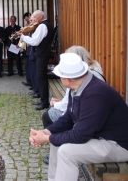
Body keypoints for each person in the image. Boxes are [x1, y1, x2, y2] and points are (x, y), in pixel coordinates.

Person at [29, 53, 128, 181]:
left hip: (118, 144)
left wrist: (47, 138)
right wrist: (47, 132)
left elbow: (81, 135)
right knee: (57, 141)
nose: (59, 78)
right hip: (101, 138)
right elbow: (69, 117)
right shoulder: (79, 86)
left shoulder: (95, 94)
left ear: (67, 79)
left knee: (67, 152)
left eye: (60, 76)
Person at [41, 45, 105, 165]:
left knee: (48, 116)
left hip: (110, 140)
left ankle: (58, 149)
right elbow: (70, 110)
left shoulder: (82, 81)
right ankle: (57, 148)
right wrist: (48, 132)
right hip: (88, 116)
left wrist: (48, 137)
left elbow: (69, 108)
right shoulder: (93, 69)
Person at [17, 10, 54, 110]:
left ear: (39, 17)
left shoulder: (42, 26)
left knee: (41, 77)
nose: (32, 20)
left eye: (33, 18)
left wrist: (23, 36)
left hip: (42, 54)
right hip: (42, 53)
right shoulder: (44, 25)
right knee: (40, 77)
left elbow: (35, 41)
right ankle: (43, 99)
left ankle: (44, 102)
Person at [22, 12, 32, 86]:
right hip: (26, 46)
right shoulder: (27, 25)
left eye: (27, 19)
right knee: (27, 65)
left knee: (30, 66)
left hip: (31, 47)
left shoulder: (33, 26)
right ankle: (29, 81)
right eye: (26, 20)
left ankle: (32, 82)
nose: (27, 21)